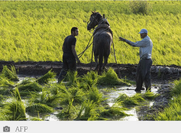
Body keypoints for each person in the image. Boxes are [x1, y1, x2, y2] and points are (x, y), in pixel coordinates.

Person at [119, 29, 153, 93]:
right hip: (147, 60)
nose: (140, 35)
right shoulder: (148, 40)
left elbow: (134, 44)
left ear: (146, 34)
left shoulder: (145, 40)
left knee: (140, 74)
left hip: (144, 60)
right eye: (140, 33)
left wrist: (125, 40)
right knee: (146, 75)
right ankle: (148, 90)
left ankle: (139, 89)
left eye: (142, 33)